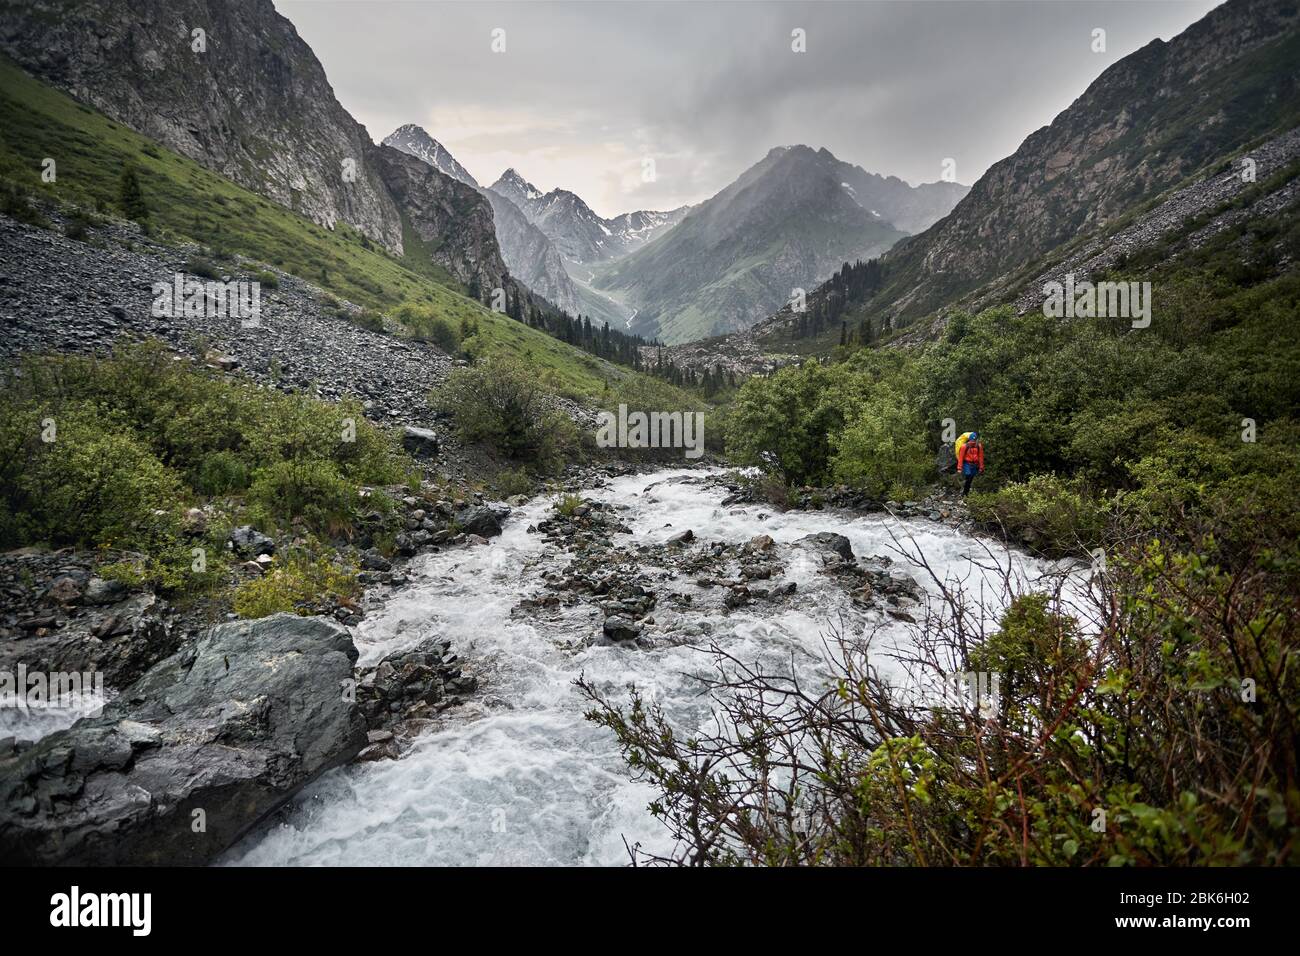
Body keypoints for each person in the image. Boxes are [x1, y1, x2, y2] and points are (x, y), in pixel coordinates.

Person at [957, 431, 984, 496]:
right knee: (968, 475)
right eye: (972, 440)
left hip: (975, 464)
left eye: (974, 441)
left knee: (971, 477)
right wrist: (959, 468)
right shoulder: (964, 447)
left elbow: (981, 457)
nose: (973, 442)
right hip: (967, 463)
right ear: (969, 440)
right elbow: (961, 458)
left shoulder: (979, 446)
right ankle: (965, 493)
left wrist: (981, 467)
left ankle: (966, 491)